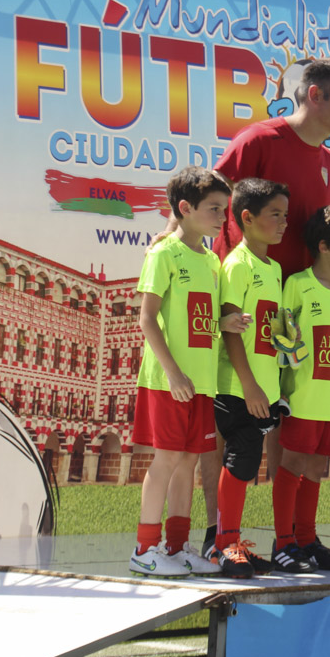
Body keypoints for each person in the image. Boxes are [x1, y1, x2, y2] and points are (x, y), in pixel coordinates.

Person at [192, 57, 330, 555]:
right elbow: (204, 199)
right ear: (315, 95)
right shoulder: (259, 141)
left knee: (287, 418)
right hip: (242, 308)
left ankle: (290, 540)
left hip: (294, 314)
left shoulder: (329, 161)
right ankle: (218, 534)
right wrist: (188, 264)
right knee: (232, 418)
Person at [129, 167, 238, 578]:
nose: (221, 218)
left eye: (224, 210)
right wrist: (173, 373)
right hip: (168, 381)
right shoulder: (163, 254)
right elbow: (148, 319)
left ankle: (175, 547)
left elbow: (199, 319)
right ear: (185, 208)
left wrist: (224, 325)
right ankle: (144, 548)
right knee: (168, 458)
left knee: (190, 461)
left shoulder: (211, 260)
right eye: (213, 209)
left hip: (202, 382)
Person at [271, 206, 330, 573]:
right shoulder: (297, 284)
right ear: (324, 246)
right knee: (293, 464)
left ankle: (307, 540)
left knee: (317, 467)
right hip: (303, 395)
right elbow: (280, 336)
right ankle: (283, 543)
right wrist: (292, 375)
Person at [210, 178, 290, 578]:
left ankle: (232, 541)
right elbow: (230, 329)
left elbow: (274, 330)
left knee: (248, 461)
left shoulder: (274, 268)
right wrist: (250, 385)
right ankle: (223, 546)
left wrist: (281, 374)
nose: (283, 223)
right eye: (275, 214)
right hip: (239, 386)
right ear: (247, 217)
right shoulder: (237, 265)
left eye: (285, 216)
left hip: (265, 385)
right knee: (240, 458)